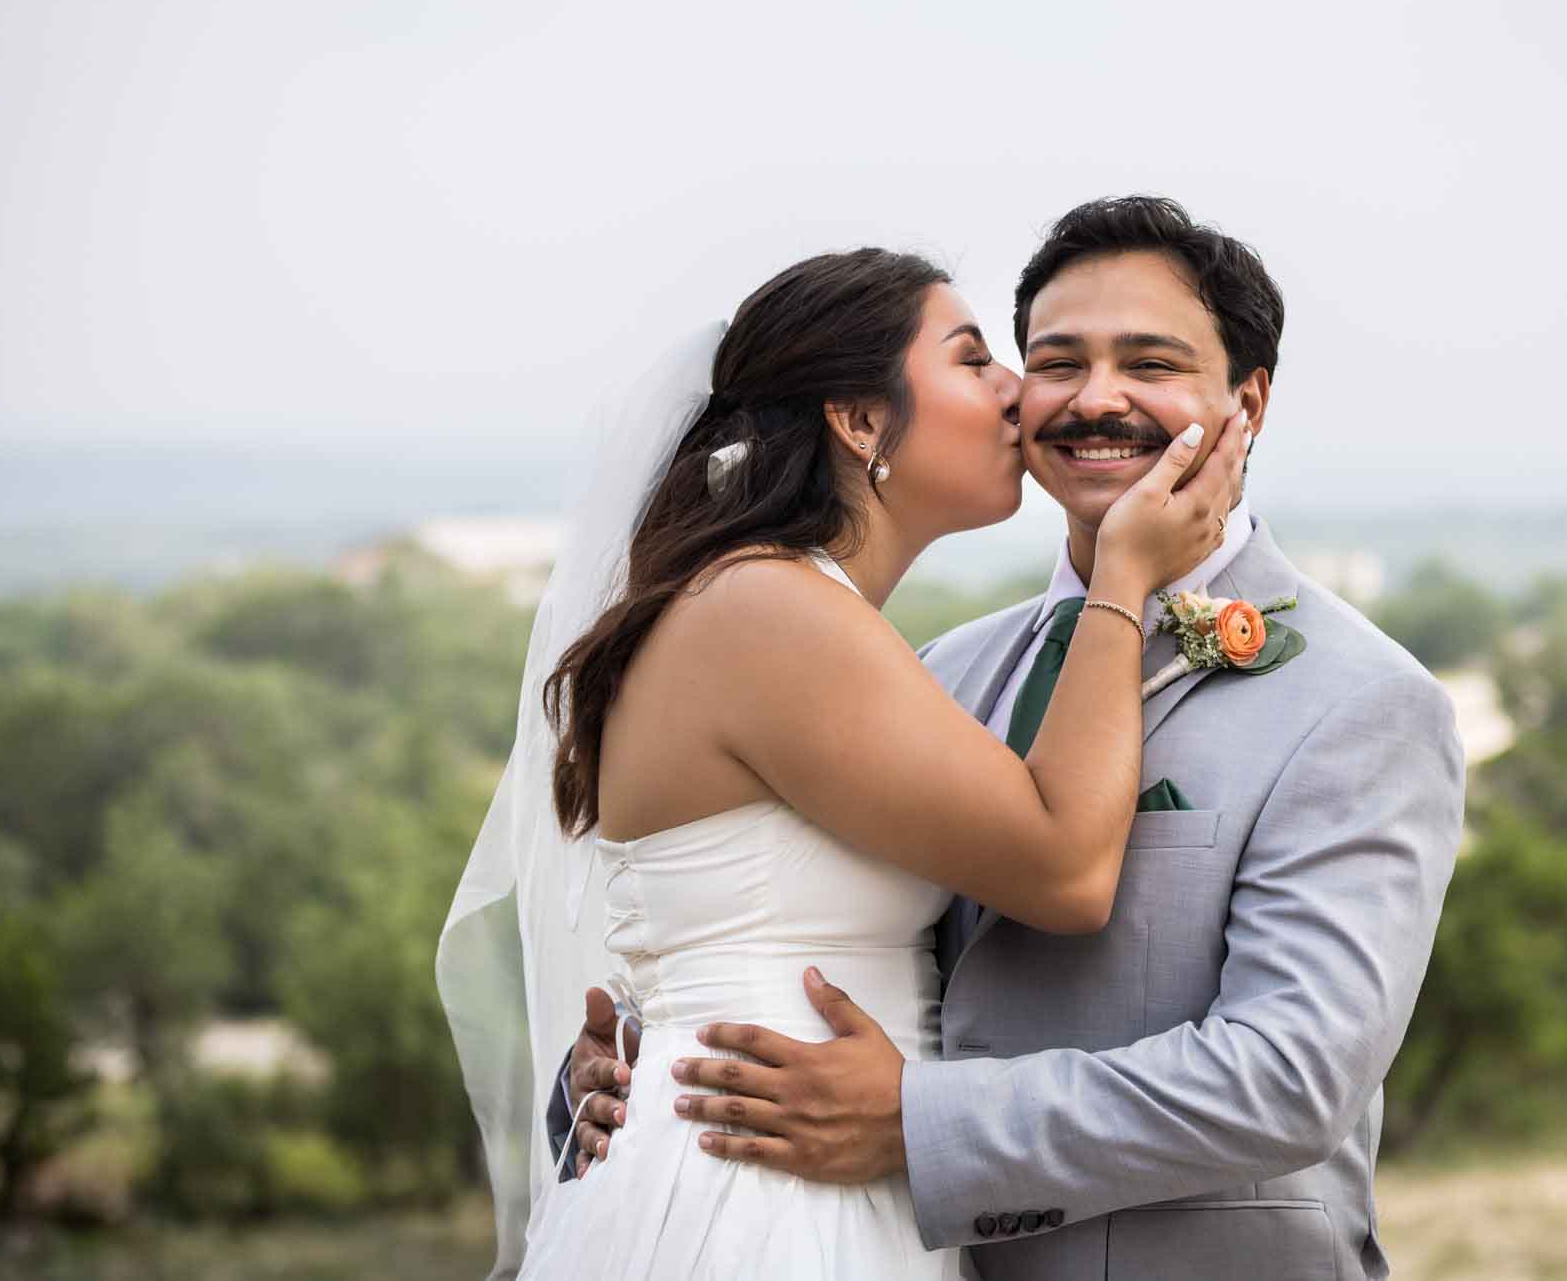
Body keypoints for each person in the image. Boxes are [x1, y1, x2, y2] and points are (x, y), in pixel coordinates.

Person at [562, 199, 1466, 1280]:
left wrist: (916, 1120)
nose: (1094, 398)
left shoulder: (1359, 700)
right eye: (1052, 360)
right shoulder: (940, 670)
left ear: (1246, 402)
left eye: (1150, 362)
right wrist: (630, 1069)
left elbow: (1286, 1076)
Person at [441, 244, 1247, 1279]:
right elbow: (1065, 868)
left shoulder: (798, 612)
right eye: (970, 360)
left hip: (818, 1164)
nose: (1017, 389)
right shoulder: (765, 607)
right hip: (760, 1200)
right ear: (860, 420)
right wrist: (1125, 577)